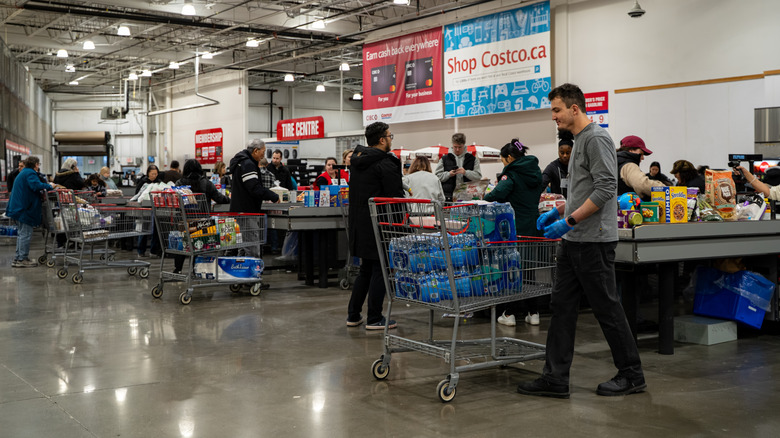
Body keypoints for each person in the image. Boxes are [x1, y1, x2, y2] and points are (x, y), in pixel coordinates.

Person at [518, 83, 645, 399]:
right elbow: (581, 193)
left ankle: (632, 374)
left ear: (575, 108)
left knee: (606, 308)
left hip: (595, 241)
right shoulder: (576, 142)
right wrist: (559, 211)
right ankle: (555, 378)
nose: (554, 116)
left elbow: (605, 190)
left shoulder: (597, 139)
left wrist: (569, 221)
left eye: (557, 110)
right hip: (575, 240)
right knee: (561, 307)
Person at [347, 121, 404, 330]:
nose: (391, 140)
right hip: (379, 223)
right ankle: (374, 318)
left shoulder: (358, 161)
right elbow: (395, 197)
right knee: (381, 268)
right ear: (382, 140)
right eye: (390, 136)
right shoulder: (385, 164)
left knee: (366, 269)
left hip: (359, 224)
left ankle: (353, 315)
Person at [485, 139, 545, 326]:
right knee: (529, 270)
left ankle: (509, 313)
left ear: (509, 158)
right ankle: (533, 312)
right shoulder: (536, 172)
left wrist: (485, 196)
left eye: (503, 160)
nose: (503, 164)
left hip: (515, 228)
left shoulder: (511, 175)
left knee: (513, 270)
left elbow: (494, 195)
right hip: (533, 227)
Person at [172, 159, 230, 274]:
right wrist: (229, 199)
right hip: (202, 221)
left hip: (183, 220)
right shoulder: (207, 183)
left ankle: (177, 269)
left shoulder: (179, 183)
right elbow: (219, 198)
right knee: (198, 244)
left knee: (182, 244)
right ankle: (196, 269)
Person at [7, 156, 53, 267]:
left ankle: (18, 258)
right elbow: (36, 185)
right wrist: (50, 186)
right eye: (38, 164)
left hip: (18, 207)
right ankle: (22, 259)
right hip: (23, 208)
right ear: (36, 164)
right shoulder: (30, 173)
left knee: (22, 234)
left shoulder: (24, 173)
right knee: (25, 234)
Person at [229, 139, 280, 214]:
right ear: (256, 151)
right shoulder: (248, 165)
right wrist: (273, 196)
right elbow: (255, 189)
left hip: (239, 210)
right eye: (263, 152)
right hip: (246, 211)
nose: (263, 156)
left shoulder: (240, 162)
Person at [435, 133, 482, 201]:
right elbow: (437, 177)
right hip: (448, 198)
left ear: (464, 145)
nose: (457, 149)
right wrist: (448, 174)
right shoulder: (444, 159)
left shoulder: (473, 159)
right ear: (452, 145)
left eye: (460, 147)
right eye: (455, 147)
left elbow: (478, 177)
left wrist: (466, 172)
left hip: (468, 197)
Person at [135, 165, 162, 258]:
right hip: (144, 209)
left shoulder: (159, 183)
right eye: (152, 174)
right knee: (143, 230)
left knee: (155, 230)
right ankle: (140, 251)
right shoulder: (143, 182)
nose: (154, 175)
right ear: (148, 173)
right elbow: (137, 194)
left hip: (155, 210)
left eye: (156, 174)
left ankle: (153, 251)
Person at [542, 130, 573, 197]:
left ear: (573, 152)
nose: (564, 155)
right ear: (558, 151)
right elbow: (542, 183)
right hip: (558, 204)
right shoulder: (552, 167)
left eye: (568, 153)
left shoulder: (578, 165)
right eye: (562, 153)